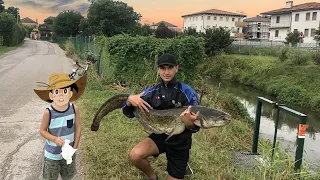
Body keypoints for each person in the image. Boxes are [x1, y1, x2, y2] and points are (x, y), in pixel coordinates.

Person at [122, 53, 200, 180]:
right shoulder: (151, 92)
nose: (166, 72)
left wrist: (190, 124)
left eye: (170, 68)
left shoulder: (188, 92)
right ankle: (153, 177)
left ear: (176, 68)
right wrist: (130, 100)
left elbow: (196, 126)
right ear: (158, 69)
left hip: (181, 141)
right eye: (163, 68)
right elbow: (128, 113)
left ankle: (183, 164)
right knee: (135, 155)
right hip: (160, 136)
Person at [34, 73, 87, 180]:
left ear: (70, 94)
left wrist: (75, 147)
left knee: (68, 176)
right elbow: (42, 131)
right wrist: (54, 139)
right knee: (50, 177)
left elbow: (78, 127)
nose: (61, 95)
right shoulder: (48, 112)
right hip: (52, 154)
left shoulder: (74, 109)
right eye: (57, 92)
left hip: (69, 152)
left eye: (65, 91)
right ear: (51, 95)